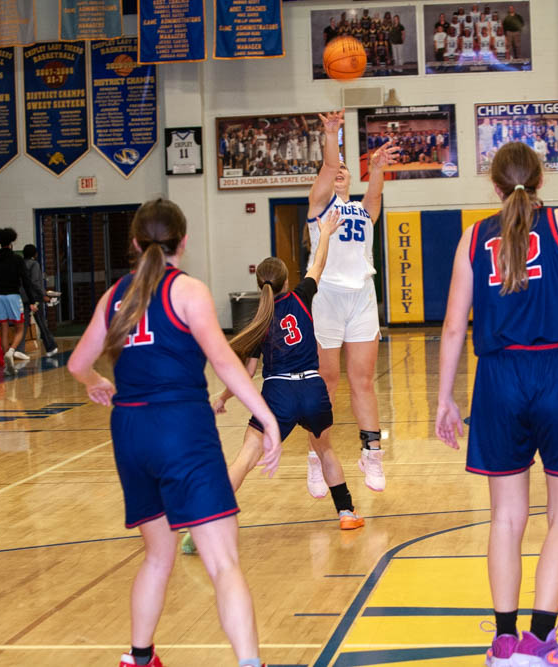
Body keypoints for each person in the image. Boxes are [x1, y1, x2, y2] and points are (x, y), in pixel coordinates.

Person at [436, 142, 558, 667]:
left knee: (505, 518)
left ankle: (503, 643)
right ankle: (539, 644)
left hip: (498, 378)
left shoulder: (472, 237)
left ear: (494, 186)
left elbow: (453, 327)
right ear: (542, 180)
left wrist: (444, 397)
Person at [67, 198, 280, 667]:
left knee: (157, 556)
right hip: (181, 427)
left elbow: (78, 363)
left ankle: (139, 658)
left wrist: (95, 381)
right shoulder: (187, 291)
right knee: (222, 561)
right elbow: (224, 361)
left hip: (130, 430)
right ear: (183, 242)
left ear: (134, 242)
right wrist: (265, 416)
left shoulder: (115, 296)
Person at [202, 207, 363, 550]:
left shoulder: (259, 319)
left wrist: (222, 397)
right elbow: (318, 265)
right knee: (325, 450)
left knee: (245, 458)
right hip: (313, 389)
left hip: (279, 395)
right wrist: (325, 233)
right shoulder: (302, 297)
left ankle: (209, 520)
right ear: (287, 281)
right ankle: (347, 512)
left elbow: (246, 374)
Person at [305, 110, 398, 496]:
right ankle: (317, 457)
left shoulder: (361, 209)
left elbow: (375, 195)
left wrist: (376, 168)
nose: (339, 171)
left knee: (362, 381)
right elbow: (329, 165)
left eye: (346, 169)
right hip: (326, 297)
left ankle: (371, 453)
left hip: (361, 298)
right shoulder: (318, 206)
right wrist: (332, 134)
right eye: (335, 169)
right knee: (326, 382)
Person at [0, 228, 41, 369]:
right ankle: (11, 351)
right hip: (13, 296)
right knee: (20, 328)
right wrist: (32, 301)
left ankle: (7, 363)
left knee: (3, 329)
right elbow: (26, 281)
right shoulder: (17, 259)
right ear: (12, 242)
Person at [20, 244, 58, 357]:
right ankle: (50, 346)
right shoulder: (34, 264)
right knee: (41, 322)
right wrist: (43, 294)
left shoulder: (21, 264)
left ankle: (19, 349)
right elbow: (35, 282)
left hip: (23, 297)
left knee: (23, 324)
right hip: (34, 297)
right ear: (35, 254)